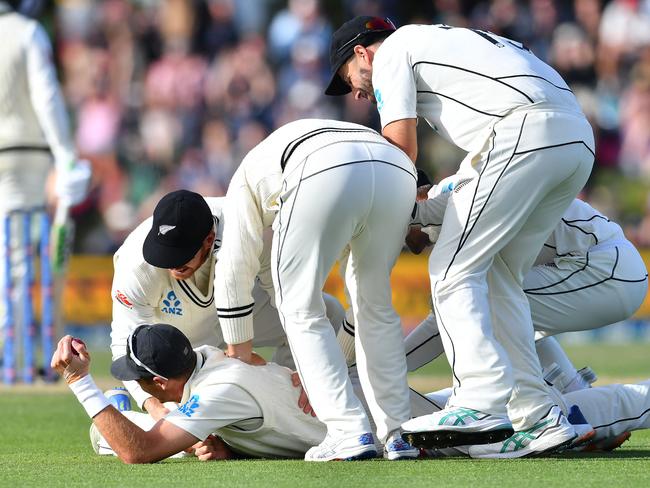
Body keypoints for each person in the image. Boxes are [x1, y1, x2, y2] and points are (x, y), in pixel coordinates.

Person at [326, 16, 596, 454]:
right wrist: (414, 210)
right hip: (575, 139)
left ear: (364, 53)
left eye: (351, 79)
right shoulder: (444, 40)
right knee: (497, 275)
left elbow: (399, 151)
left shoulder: (393, 49)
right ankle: (539, 415)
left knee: (451, 268)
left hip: (525, 131)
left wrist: (375, 208)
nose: (358, 93)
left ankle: (479, 398)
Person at [50, 325, 650, 463]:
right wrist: (203, 436)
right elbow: (180, 414)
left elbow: (141, 451)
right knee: (524, 388)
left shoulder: (219, 391)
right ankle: (561, 378)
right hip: (391, 407)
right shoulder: (210, 360)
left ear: (160, 379)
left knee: (573, 423)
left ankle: (580, 400)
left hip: (406, 435)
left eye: (140, 379)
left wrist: (82, 382)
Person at [213, 118, 418, 461]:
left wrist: (239, 352)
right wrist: (334, 361)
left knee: (298, 306)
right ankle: (398, 432)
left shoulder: (242, 182)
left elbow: (234, 266)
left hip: (322, 165)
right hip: (396, 166)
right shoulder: (282, 150)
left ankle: (347, 431)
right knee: (375, 305)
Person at [400, 177, 648, 456]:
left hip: (604, 268)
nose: (402, 239)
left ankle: (560, 414)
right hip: (603, 263)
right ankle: (570, 391)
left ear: (420, 195)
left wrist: (386, 367)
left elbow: (450, 318)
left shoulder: (447, 200)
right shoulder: (448, 199)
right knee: (503, 313)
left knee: (487, 308)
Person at [110, 189, 344, 420]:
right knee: (190, 427)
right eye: (165, 254)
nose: (171, 264)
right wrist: (152, 407)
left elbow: (291, 303)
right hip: (180, 340)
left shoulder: (250, 227)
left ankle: (294, 402)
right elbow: (125, 346)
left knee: (330, 313)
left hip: (243, 307)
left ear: (209, 239)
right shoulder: (135, 266)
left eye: (181, 255)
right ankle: (120, 419)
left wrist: (308, 370)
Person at [0, 0, 91, 381]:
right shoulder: (25, 31)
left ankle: (16, 361)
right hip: (24, 155)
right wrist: (66, 154)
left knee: (10, 258)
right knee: (18, 262)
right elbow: (46, 97)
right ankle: (16, 364)